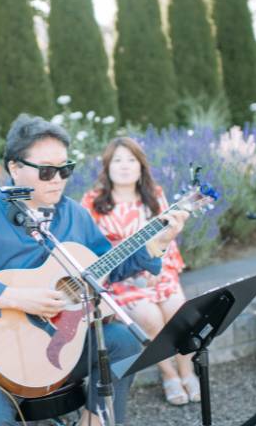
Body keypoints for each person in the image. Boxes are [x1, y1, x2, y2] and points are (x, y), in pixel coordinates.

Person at [0, 115, 189, 426]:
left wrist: (155, 245)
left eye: (65, 169)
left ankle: (93, 419)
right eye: (47, 170)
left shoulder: (74, 215)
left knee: (124, 341)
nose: (57, 179)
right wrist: (14, 297)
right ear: (14, 168)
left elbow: (106, 267)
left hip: (61, 343)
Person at [81, 137, 201, 406]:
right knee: (148, 317)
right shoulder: (92, 201)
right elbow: (87, 248)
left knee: (179, 312)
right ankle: (169, 374)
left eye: (131, 160)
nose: (124, 166)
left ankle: (186, 370)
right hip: (117, 278)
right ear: (107, 167)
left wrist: (156, 267)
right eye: (117, 160)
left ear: (141, 166)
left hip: (158, 270)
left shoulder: (154, 195)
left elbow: (168, 238)